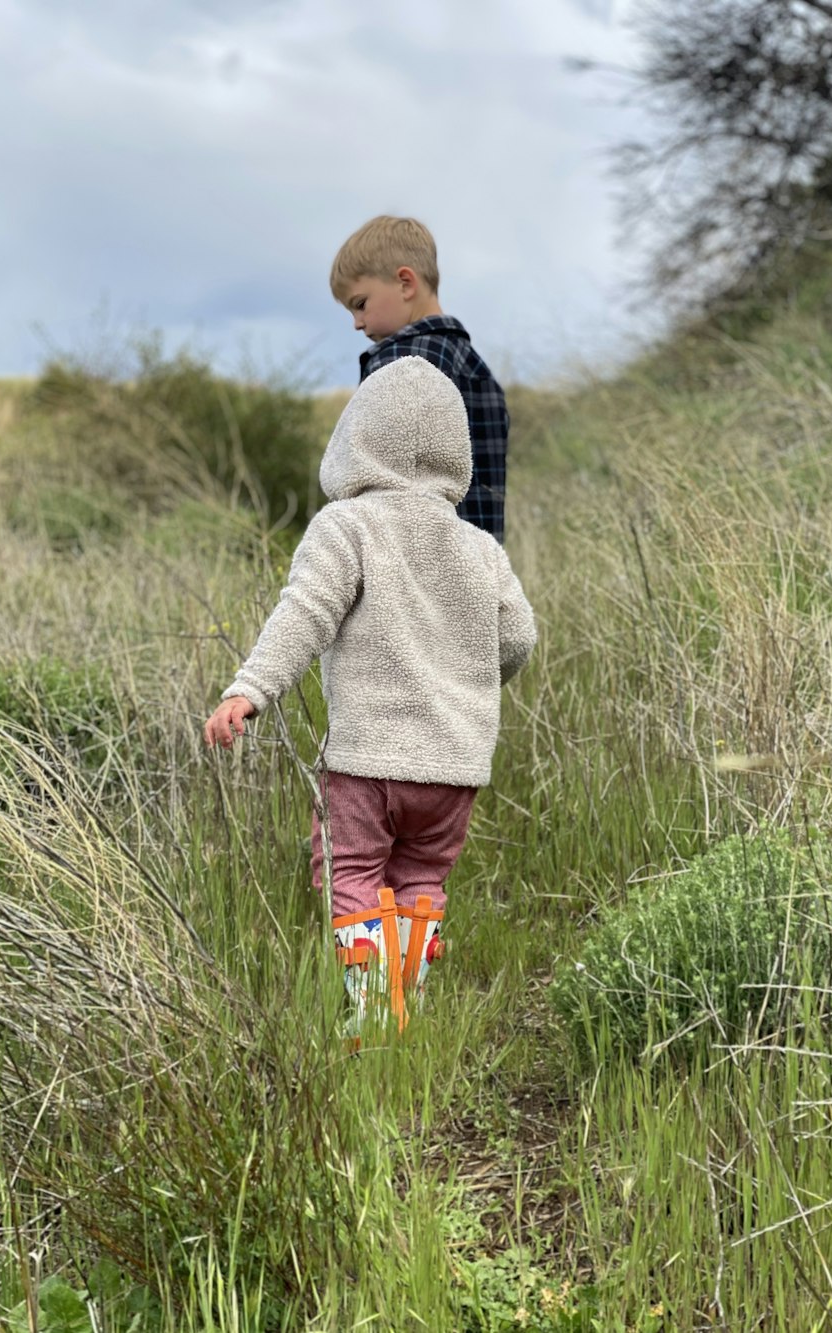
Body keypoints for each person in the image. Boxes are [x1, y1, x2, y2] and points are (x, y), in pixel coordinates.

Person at [203, 356, 536, 1034]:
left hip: (365, 762)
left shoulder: (346, 527)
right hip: (454, 769)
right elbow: (519, 638)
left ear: (355, 440)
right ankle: (409, 1001)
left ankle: (371, 1018)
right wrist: (468, 683)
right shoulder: (479, 549)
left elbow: (304, 613)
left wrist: (251, 689)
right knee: (421, 878)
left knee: (351, 871)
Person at [330, 214, 510, 544]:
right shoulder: (478, 370)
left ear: (405, 283)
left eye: (360, 304)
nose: (357, 323)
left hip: (411, 572)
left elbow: (375, 480)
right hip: (478, 574)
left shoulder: (401, 364)